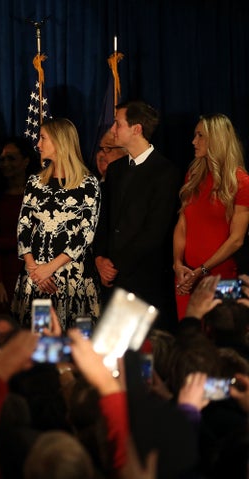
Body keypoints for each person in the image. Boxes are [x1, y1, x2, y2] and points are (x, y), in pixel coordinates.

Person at [94, 100, 182, 330]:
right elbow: (105, 220)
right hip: (110, 279)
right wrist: (100, 258)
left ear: (137, 129)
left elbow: (155, 232)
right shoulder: (115, 170)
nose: (113, 130)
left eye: (117, 124)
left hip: (144, 281)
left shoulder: (166, 173)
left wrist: (116, 265)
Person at [10, 118, 101, 329]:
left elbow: (86, 234)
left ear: (60, 142)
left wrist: (49, 268)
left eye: (43, 138)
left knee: (75, 344)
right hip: (37, 279)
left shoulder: (88, 183)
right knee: (41, 344)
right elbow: (23, 226)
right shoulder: (35, 182)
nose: (38, 144)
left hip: (71, 281)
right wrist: (34, 268)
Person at [173, 114, 249, 318]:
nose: (193, 141)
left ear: (217, 140)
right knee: (190, 338)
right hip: (187, 278)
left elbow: (237, 239)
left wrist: (202, 270)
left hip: (222, 279)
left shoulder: (241, 182)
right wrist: (177, 264)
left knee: (221, 340)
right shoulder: (194, 176)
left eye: (200, 136)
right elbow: (182, 224)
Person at [0, 137, 37, 314]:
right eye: (2, 159)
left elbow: (38, 239)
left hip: (35, 272)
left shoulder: (39, 194)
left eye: (11, 158)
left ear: (26, 161)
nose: (5, 163)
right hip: (2, 275)